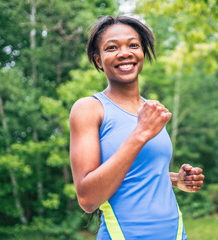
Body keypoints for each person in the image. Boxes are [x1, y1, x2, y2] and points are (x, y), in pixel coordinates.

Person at [69, 15, 205, 240]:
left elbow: (136, 174)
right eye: (112, 48)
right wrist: (141, 133)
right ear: (97, 60)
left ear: (143, 53)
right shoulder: (89, 109)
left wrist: (174, 180)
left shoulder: (151, 110)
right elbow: (87, 198)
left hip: (176, 233)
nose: (125, 53)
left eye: (133, 45)